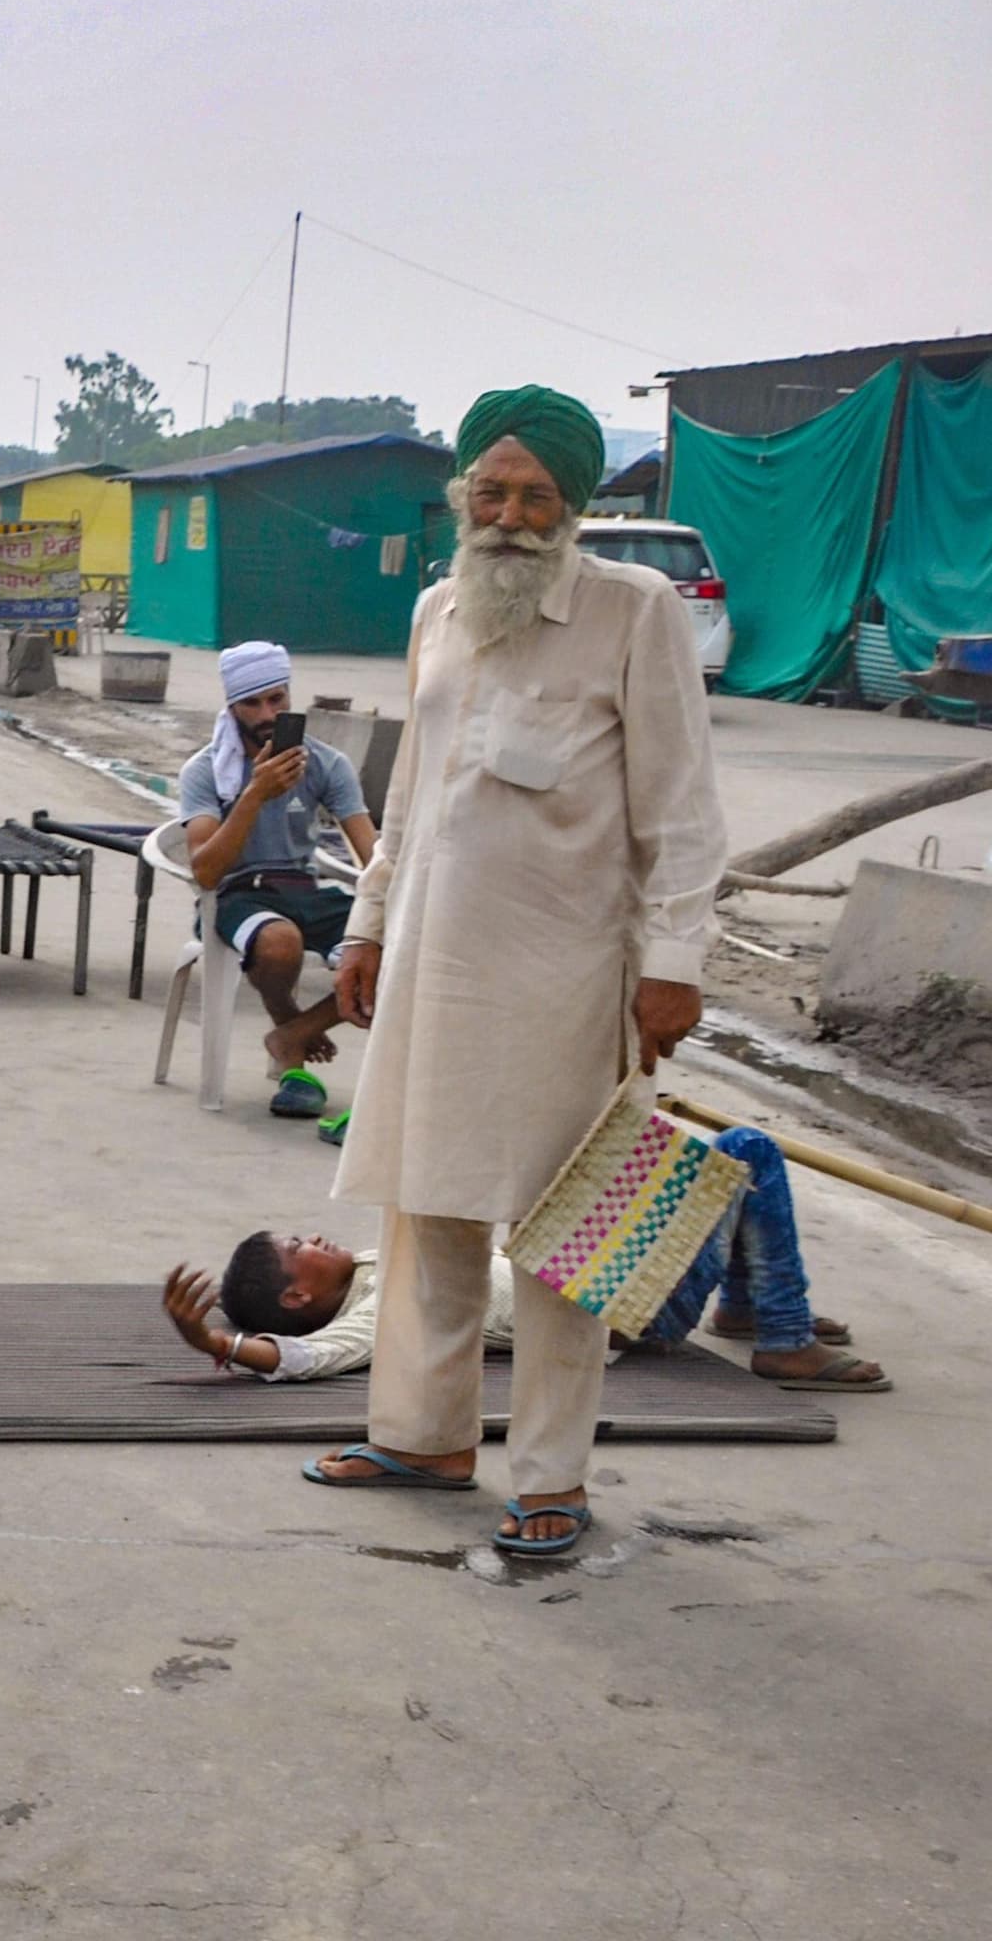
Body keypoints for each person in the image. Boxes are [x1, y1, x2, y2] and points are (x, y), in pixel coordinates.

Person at [316, 385, 731, 1559]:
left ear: (574, 505)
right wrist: (366, 926)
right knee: (429, 1204)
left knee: (564, 1232)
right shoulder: (441, 610)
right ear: (460, 498)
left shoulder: (634, 611)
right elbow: (408, 793)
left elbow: (685, 814)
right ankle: (424, 1435)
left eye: (534, 494)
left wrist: (675, 965)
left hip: (565, 974)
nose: (507, 513)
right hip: (434, 963)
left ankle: (550, 1477)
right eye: (488, 491)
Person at [166, 1126, 885, 1393]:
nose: (313, 1237)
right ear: (297, 1299)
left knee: (671, 1164)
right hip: (624, 1313)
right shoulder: (376, 1313)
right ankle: (783, 1338)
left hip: (587, 1271)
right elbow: (304, 1362)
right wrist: (216, 1343)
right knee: (748, 1152)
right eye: (299, 1250)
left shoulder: (369, 1262)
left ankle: (748, 1304)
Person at [175, 640, 380, 1120]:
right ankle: (286, 1020)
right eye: (253, 703)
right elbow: (205, 871)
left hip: (303, 888)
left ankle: (291, 1035)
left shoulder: (327, 763)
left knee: (401, 947)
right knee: (280, 941)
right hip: (235, 897)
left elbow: (371, 853)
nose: (268, 713)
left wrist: (390, 904)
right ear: (231, 706)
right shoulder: (206, 770)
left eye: (277, 699)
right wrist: (254, 794)